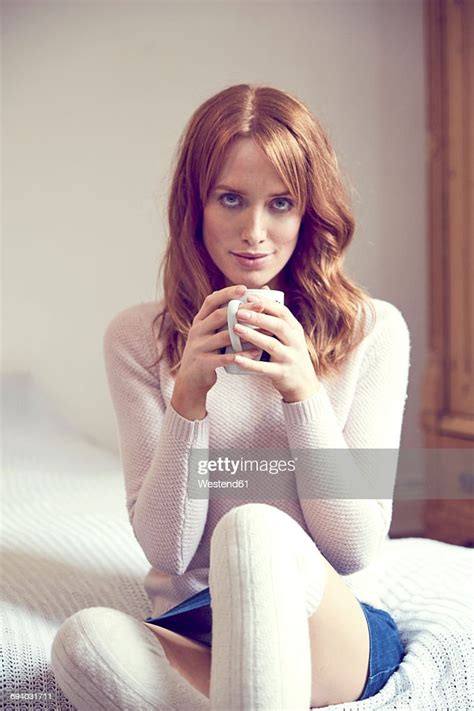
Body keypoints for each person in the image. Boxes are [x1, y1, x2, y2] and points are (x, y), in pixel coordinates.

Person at [51, 83, 409, 710]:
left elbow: (353, 548)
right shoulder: (138, 339)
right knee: (83, 642)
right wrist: (188, 399)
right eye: (231, 199)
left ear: (309, 213)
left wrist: (302, 392)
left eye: (281, 203)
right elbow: (167, 552)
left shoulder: (371, 331)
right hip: (202, 622)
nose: (254, 232)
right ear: (195, 205)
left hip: (329, 618)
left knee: (252, 530)